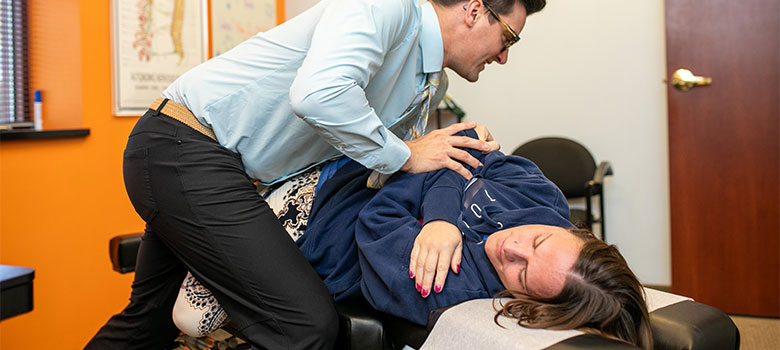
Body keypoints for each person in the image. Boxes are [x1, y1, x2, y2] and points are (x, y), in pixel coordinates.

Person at [88, 0, 545, 348]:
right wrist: (406, 153)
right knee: (306, 326)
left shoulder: (430, 82)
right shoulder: (385, 9)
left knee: (145, 321)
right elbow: (317, 96)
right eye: (509, 37)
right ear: (473, 9)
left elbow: (389, 168)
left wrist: (452, 165)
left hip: (220, 170)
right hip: (183, 146)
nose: (504, 57)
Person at [174, 129, 653, 349]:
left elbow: (378, 223)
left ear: (526, 300)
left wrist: (435, 172)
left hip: (315, 222)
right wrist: (440, 219)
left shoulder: (454, 288)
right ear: (573, 231)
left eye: (522, 272)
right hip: (353, 168)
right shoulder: (543, 199)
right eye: (539, 242)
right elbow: (463, 149)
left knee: (189, 320)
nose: (512, 246)